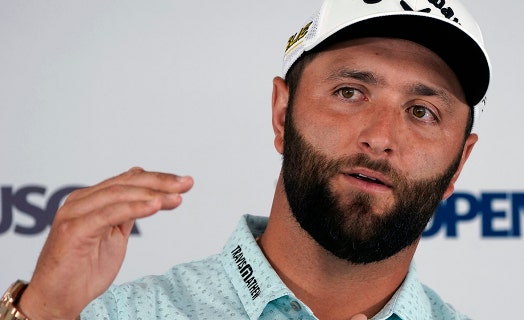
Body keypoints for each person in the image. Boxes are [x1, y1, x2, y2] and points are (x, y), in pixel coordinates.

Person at [1, 0, 491, 319]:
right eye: (350, 91)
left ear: (459, 165)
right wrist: (43, 313)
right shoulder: (119, 313)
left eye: (422, 112)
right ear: (282, 113)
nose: (381, 137)